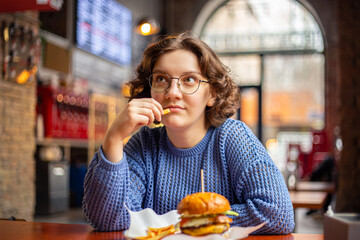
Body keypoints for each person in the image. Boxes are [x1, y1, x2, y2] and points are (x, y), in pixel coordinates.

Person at [83, 32, 295, 234]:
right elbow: (109, 221)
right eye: (161, 79)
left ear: (212, 94)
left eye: (189, 79)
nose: (172, 92)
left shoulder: (232, 137)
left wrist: (187, 222)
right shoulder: (144, 144)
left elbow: (278, 214)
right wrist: (113, 139)